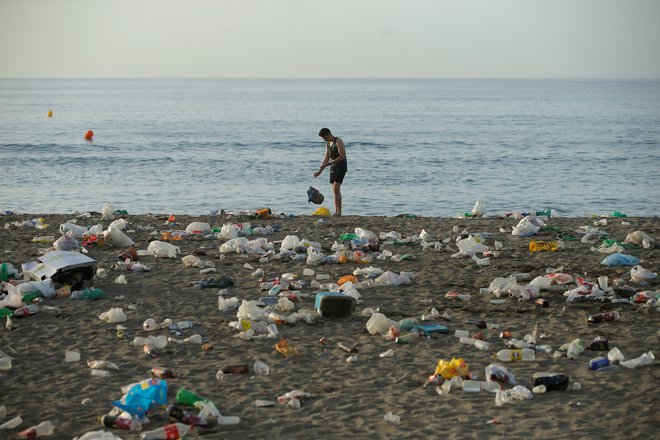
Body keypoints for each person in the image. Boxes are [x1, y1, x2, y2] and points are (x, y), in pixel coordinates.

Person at [314, 128, 347, 216]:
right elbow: (326, 158)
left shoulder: (338, 141)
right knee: (334, 190)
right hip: (333, 168)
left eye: (325, 137)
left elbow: (342, 155)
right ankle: (336, 211)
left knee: (336, 188)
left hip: (341, 167)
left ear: (329, 134)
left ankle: (339, 212)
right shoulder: (328, 144)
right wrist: (319, 172)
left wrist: (330, 163)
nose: (324, 139)